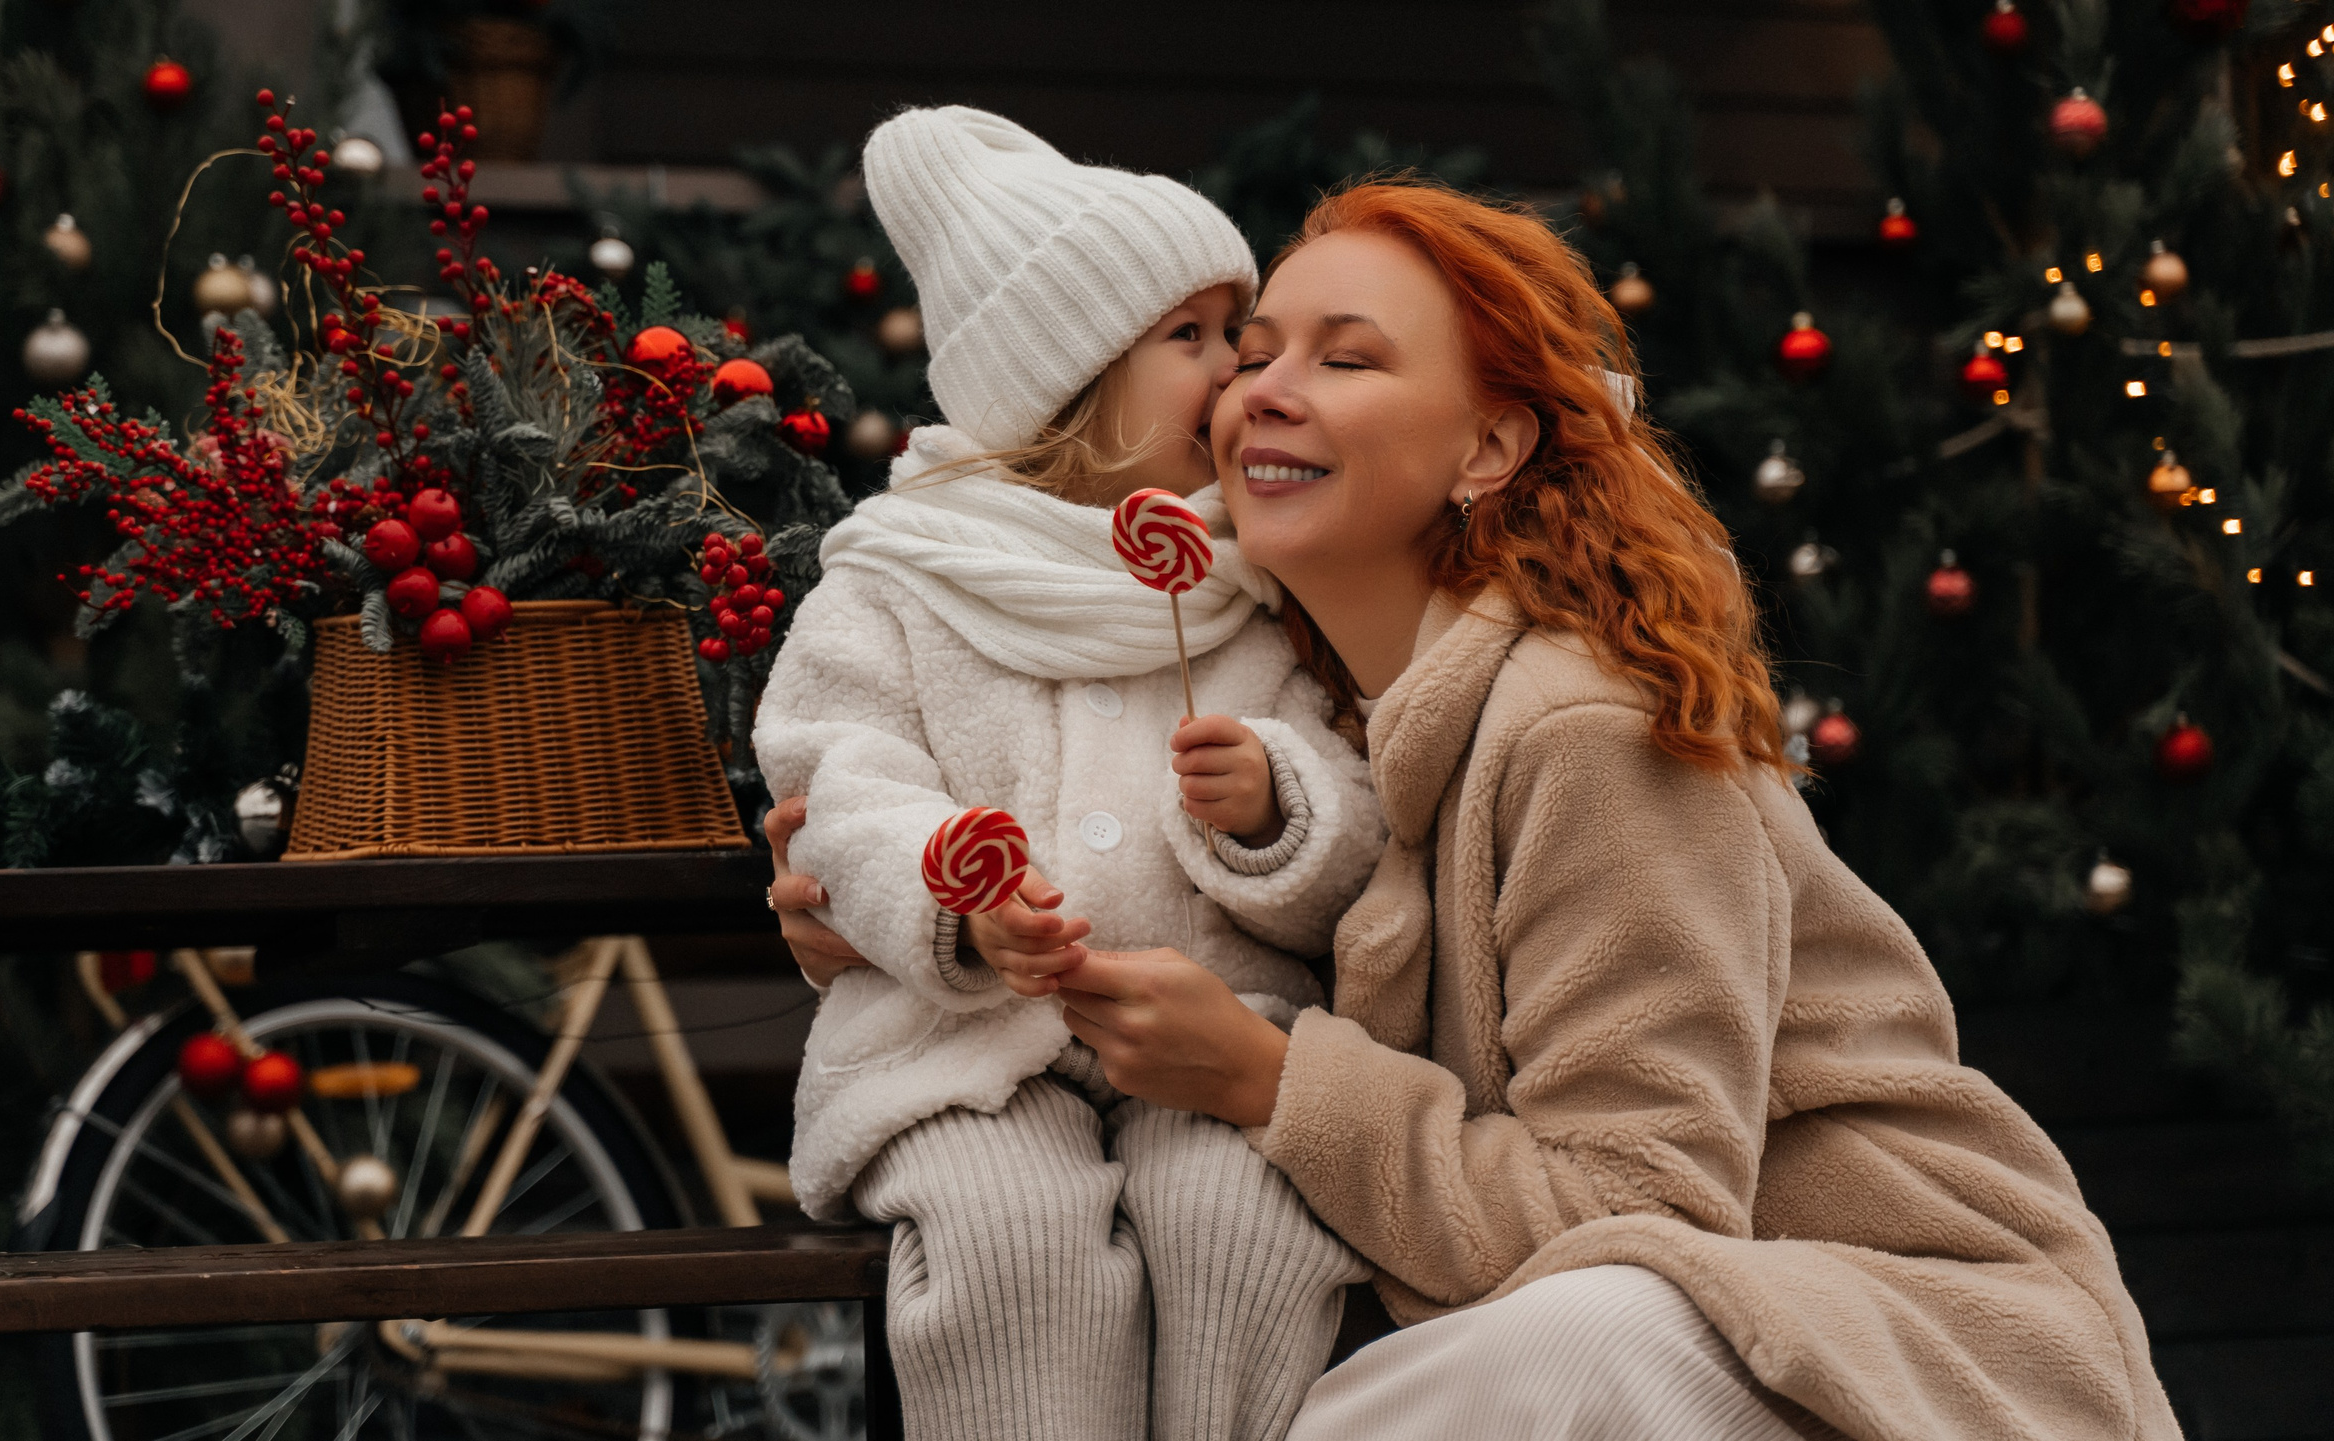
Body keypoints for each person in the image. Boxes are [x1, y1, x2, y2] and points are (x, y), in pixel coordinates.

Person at [767, 179, 2179, 1440]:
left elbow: (1638, 1209)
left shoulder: (1585, 728)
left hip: (1906, 1351)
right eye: (1253, 353)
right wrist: (879, 904)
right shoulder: (1346, 722)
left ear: (1488, 446)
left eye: (1348, 356)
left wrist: (1266, 1079)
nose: (1261, 387)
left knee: (1511, 1366)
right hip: (1690, 1338)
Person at [750, 107, 1381, 1441]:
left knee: (1250, 1223)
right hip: (969, 1044)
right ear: (1072, 376)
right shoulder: (905, 571)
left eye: (1238, 332)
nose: (1237, 371)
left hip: (1210, 1030)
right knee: (1007, 1236)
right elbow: (838, 778)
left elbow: (1354, 791)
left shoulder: (1256, 576)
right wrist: (951, 892)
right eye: (1193, 338)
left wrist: (1274, 807)